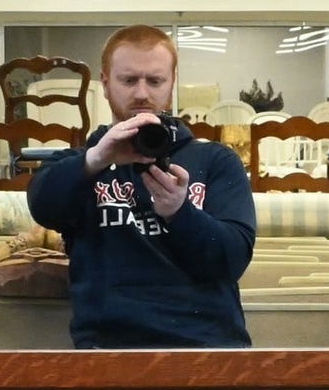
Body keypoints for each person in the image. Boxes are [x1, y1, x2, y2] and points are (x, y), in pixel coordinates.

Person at [26, 25, 255, 347]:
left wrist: (180, 213)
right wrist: (96, 159)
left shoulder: (216, 160)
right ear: (105, 84)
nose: (142, 94)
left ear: (171, 84)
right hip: (108, 351)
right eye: (129, 80)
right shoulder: (80, 163)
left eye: (155, 81)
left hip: (208, 349)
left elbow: (232, 261)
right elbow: (44, 207)